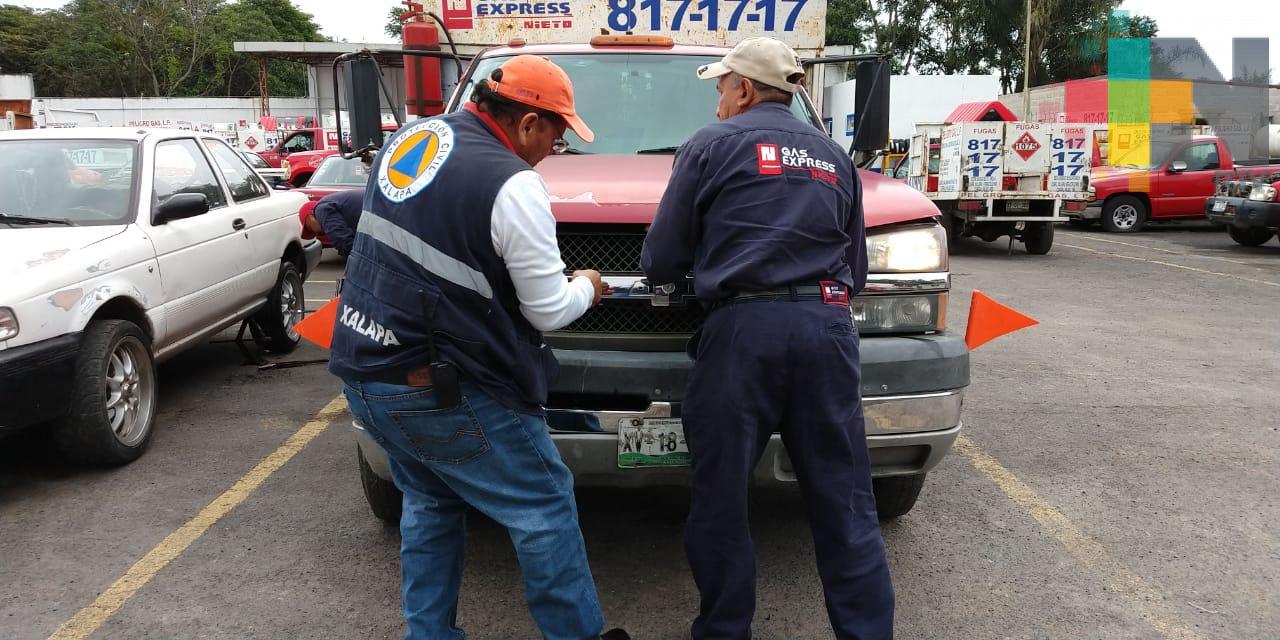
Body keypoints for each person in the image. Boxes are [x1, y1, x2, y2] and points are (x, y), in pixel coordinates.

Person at [328, 55, 628, 640]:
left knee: (431, 503)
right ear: (526, 123)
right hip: (445, 388)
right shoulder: (514, 184)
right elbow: (546, 309)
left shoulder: (415, 136)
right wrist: (587, 286)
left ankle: (429, 633)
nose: (555, 148)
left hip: (366, 369)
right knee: (543, 509)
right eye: (558, 135)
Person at [641, 37, 895, 640]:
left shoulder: (711, 145)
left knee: (722, 501)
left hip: (742, 336)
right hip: (827, 331)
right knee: (845, 501)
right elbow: (853, 269)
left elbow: (662, 257)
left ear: (747, 89)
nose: (719, 102)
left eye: (722, 89)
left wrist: (696, 278)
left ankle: (725, 631)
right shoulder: (834, 157)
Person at [307, 188, 363, 257]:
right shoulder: (328, 203)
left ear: (310, 216)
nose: (316, 234)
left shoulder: (321, 209)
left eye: (309, 229)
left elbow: (342, 240)